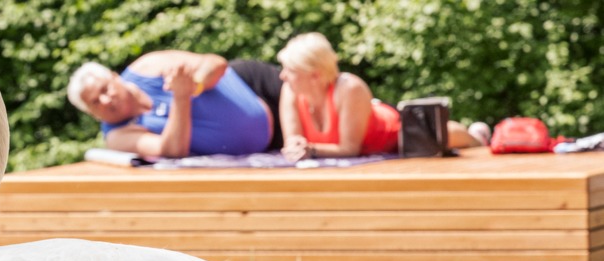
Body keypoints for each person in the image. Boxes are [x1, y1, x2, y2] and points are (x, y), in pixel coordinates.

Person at [275, 32, 489, 162]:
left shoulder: (349, 88)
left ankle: (478, 137)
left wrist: (310, 150)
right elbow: (292, 143)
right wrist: (296, 147)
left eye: (290, 70)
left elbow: (349, 149)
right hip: (366, 148)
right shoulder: (290, 90)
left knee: (440, 137)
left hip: (392, 134)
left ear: (315, 75)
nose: (282, 75)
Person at [67, 52, 285, 158]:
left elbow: (215, 63)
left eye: (105, 89)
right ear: (92, 114)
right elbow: (172, 151)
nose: (106, 100)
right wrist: (181, 97)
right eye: (95, 102)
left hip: (256, 85)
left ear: (116, 77)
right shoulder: (117, 136)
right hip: (270, 146)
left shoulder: (147, 66)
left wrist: (195, 85)